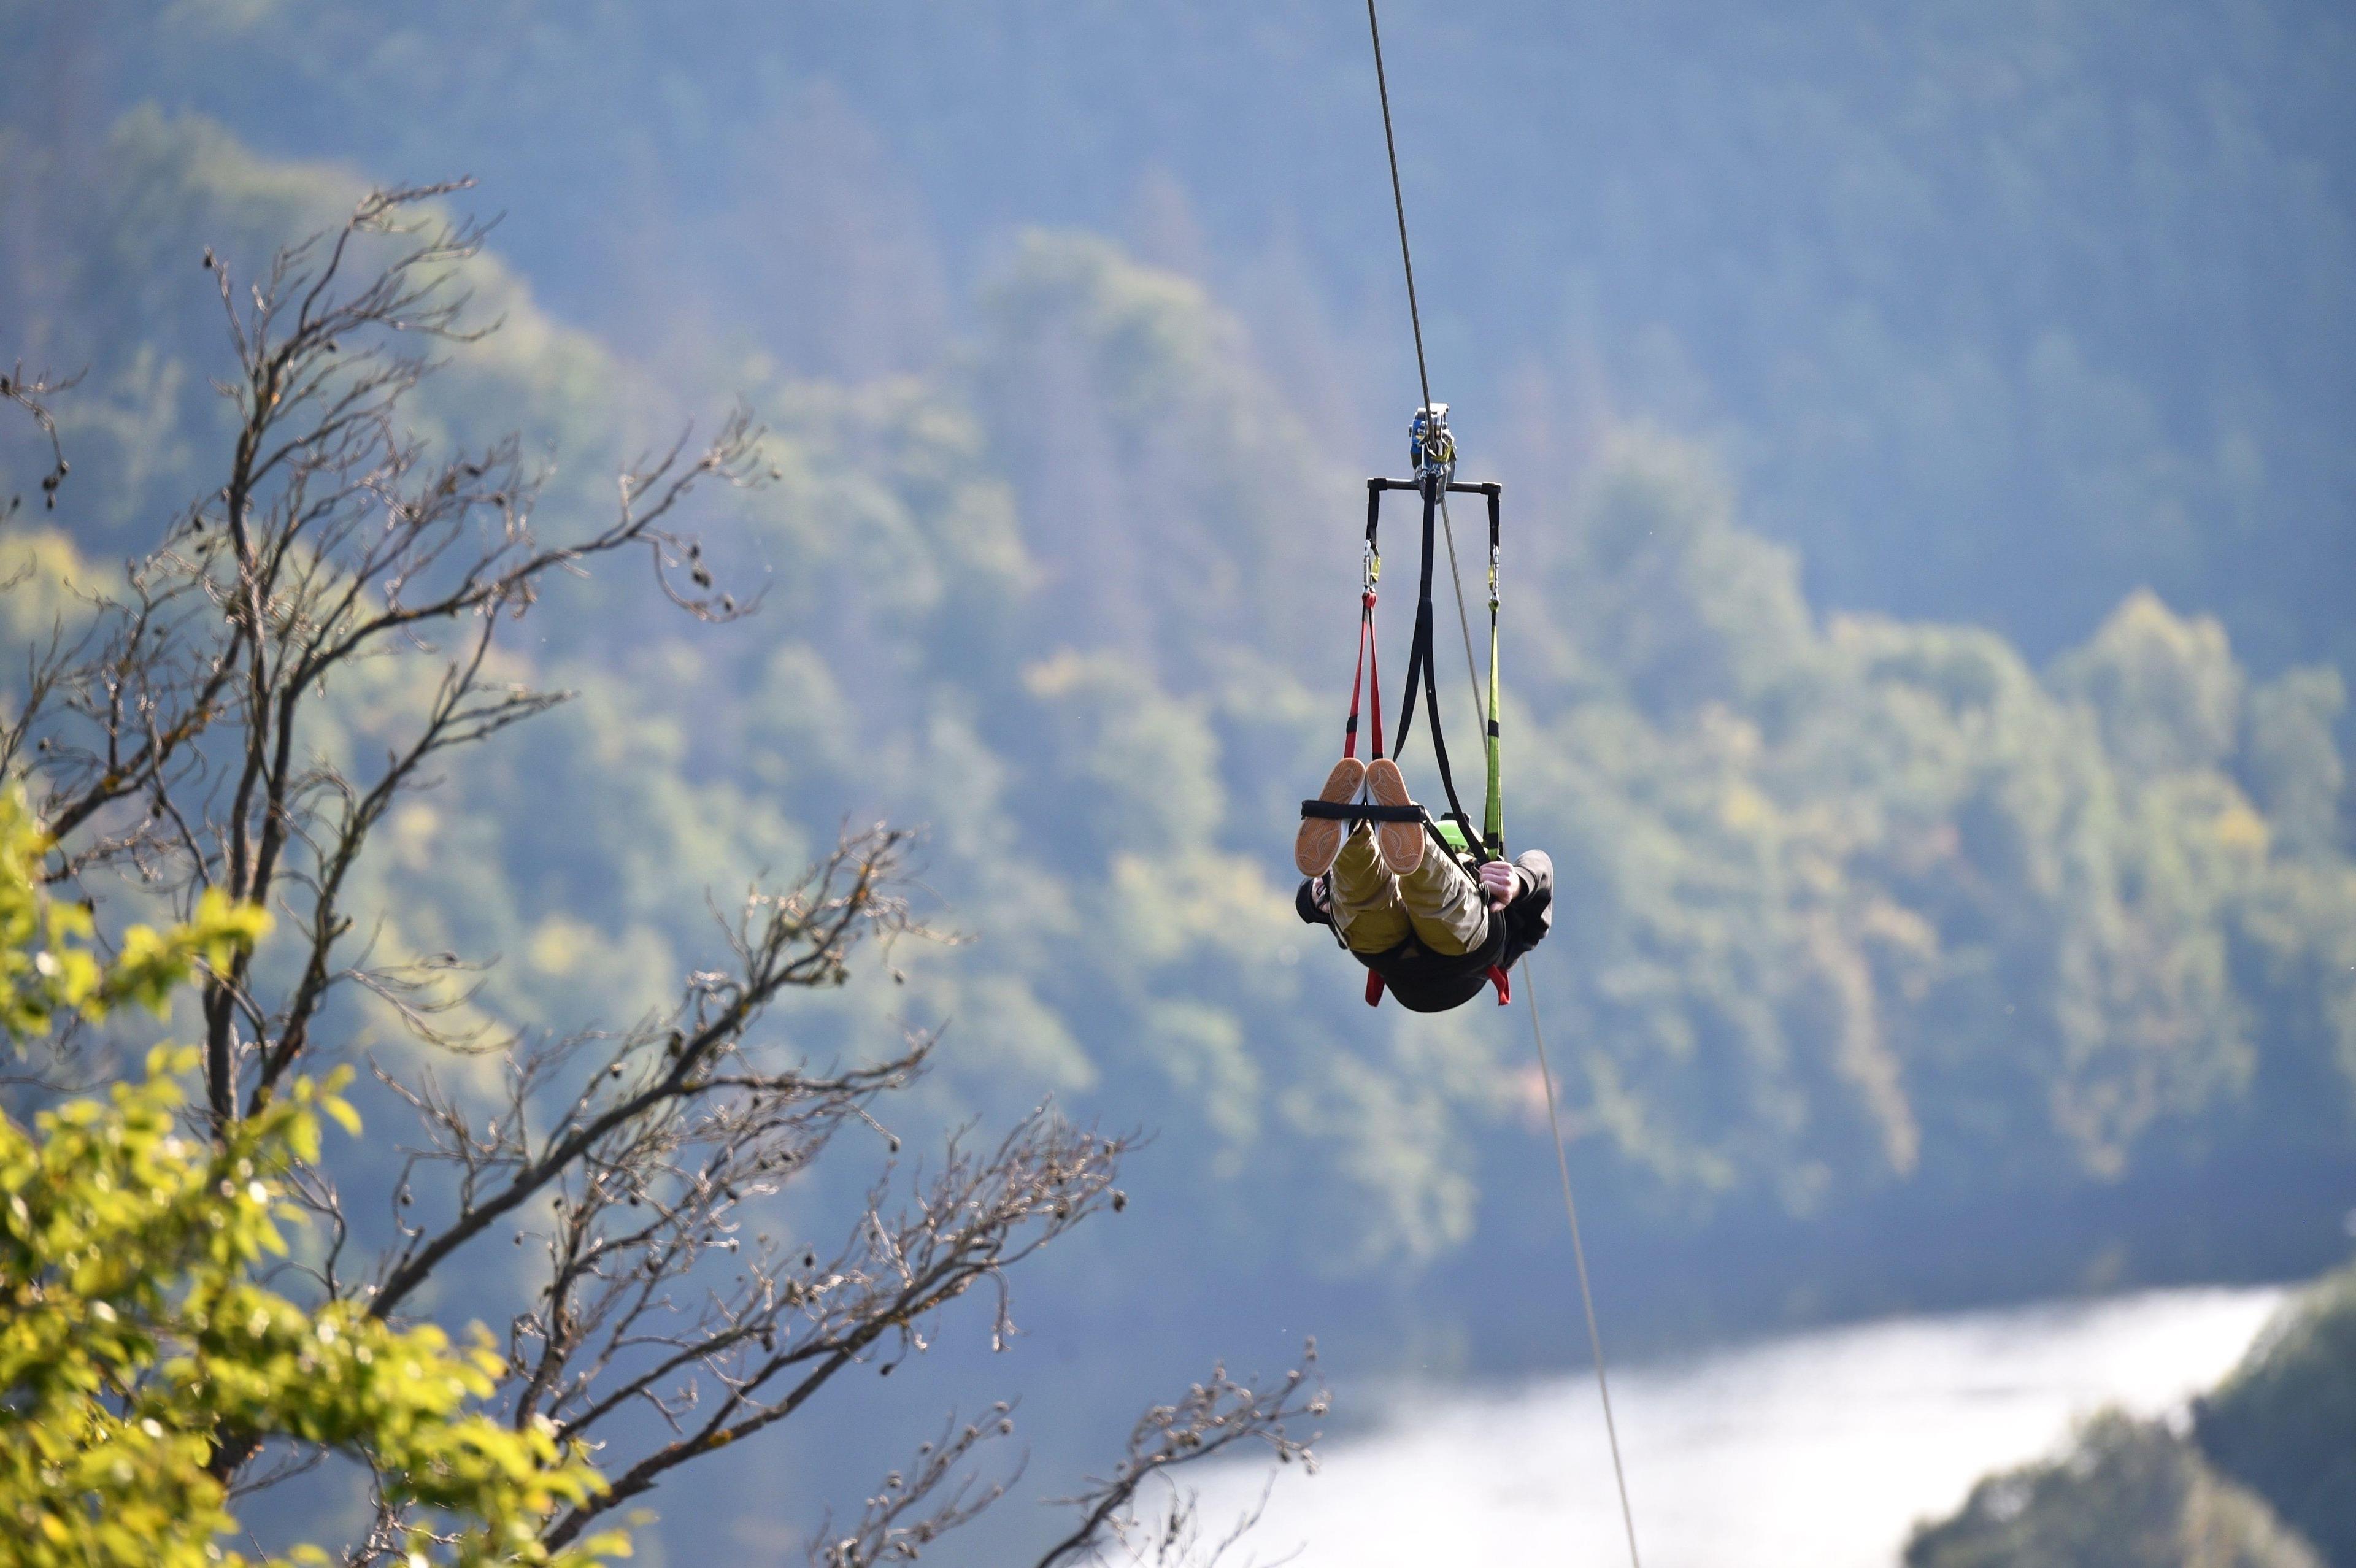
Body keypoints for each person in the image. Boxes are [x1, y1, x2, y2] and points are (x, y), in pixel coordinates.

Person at [1293, 755, 1553, 1012]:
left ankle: (1357, 833)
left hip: (1394, 958)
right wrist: (1519, 882)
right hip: (1437, 957)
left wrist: (1315, 897)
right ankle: (1380, 832)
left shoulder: (1507, 919)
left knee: (1362, 899)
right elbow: (1541, 867)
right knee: (1434, 897)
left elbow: (1309, 906)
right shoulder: (1512, 927)